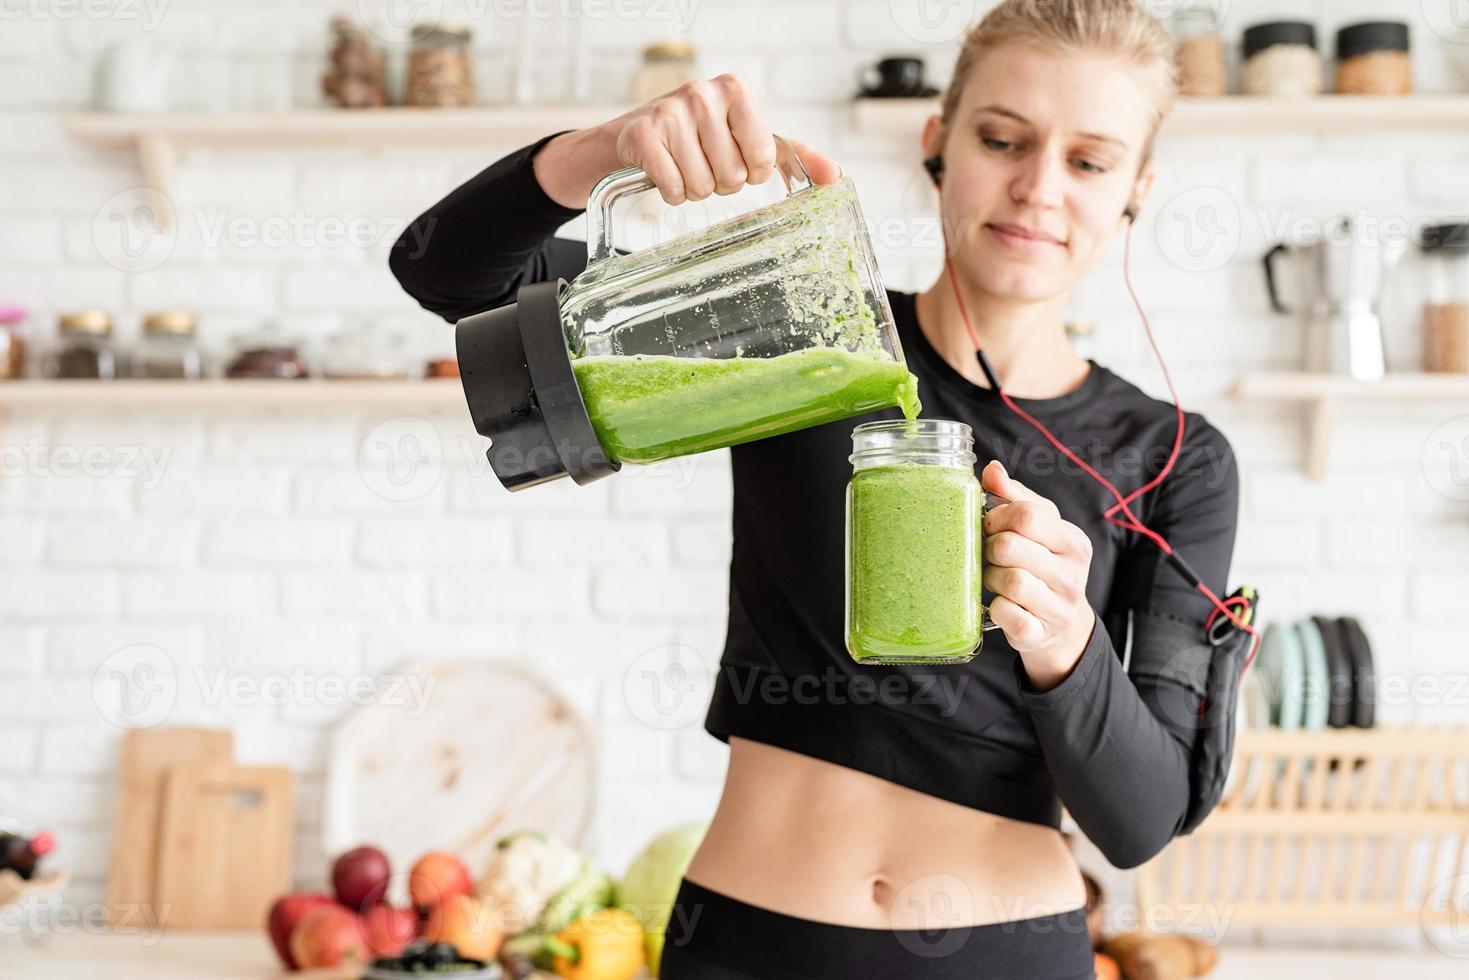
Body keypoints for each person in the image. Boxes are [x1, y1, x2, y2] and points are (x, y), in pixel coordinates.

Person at [390, 1, 1241, 976]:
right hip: (750, 937)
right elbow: (443, 271)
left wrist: (1065, 644)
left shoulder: (1174, 456)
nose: (1037, 187)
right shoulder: (800, 330)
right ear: (937, 143)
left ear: (1135, 187)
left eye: (1088, 161)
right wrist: (601, 153)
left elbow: (1141, 819)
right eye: (1001, 138)